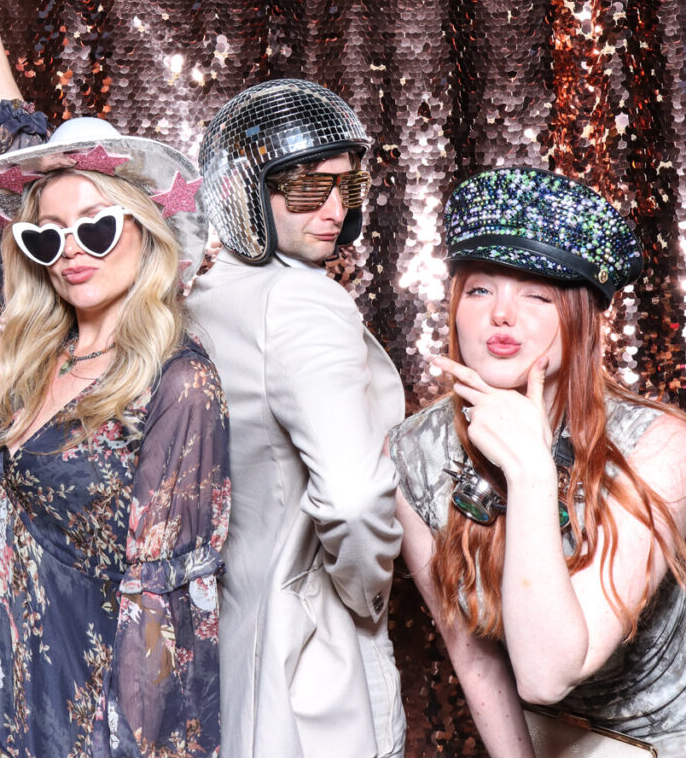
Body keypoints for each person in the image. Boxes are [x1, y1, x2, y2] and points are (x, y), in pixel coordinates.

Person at [0, 0, 231, 758]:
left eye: (97, 228)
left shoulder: (178, 382)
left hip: (90, 716)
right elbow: (1, 150)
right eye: (47, 237)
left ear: (147, 233)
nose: (71, 251)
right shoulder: (36, 349)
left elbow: (171, 613)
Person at [388, 166, 686, 757]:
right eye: (480, 289)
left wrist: (528, 472)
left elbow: (551, 672)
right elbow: (474, 659)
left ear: (577, 318)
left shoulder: (660, 446)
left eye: (536, 294)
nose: (502, 314)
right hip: (543, 741)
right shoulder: (413, 452)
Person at [190, 80, 406, 758]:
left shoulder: (198, 299)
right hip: (313, 661)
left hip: (231, 642)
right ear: (243, 191)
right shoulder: (301, 303)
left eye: (348, 186)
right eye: (309, 189)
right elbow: (355, 495)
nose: (335, 210)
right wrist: (364, 598)